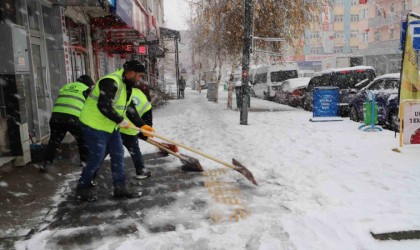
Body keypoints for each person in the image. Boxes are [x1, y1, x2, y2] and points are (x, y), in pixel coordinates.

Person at [76, 60, 154, 202]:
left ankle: (120, 188)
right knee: (97, 157)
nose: (140, 79)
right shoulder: (111, 81)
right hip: (94, 125)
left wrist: (142, 125)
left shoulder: (127, 86)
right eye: (139, 75)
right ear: (131, 73)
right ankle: (83, 188)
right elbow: (103, 105)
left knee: (118, 155)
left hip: (110, 126)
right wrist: (120, 120)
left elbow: (130, 109)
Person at [40, 75, 95, 173]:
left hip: (56, 118)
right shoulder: (86, 89)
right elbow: (90, 107)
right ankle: (84, 161)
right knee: (82, 140)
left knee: (53, 142)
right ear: (88, 84)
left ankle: (46, 165)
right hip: (72, 118)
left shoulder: (67, 86)